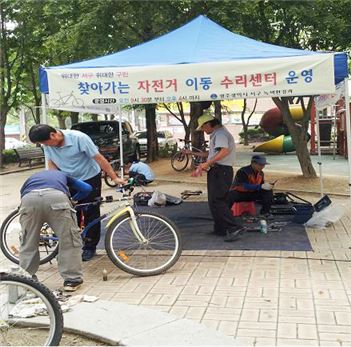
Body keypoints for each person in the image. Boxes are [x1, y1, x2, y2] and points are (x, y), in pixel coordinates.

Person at [28, 124, 127, 262]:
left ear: (53, 135)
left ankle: (90, 247)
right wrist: (55, 182)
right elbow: (52, 163)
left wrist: (114, 177)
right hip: (68, 179)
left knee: (90, 211)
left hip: (90, 177)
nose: (45, 145)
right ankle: (73, 245)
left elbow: (99, 158)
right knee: (70, 212)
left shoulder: (79, 138)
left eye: (45, 142)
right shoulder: (48, 145)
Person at [19, 170, 92, 291]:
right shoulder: (63, 175)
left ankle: (27, 280)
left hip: (29, 200)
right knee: (69, 240)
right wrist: (73, 200)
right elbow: (87, 188)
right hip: (57, 198)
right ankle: (72, 280)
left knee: (28, 241)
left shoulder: (32, 178)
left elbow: (22, 194)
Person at [195, 111, 244, 242]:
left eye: (204, 127)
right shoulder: (218, 134)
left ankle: (234, 227)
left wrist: (207, 164)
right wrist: (196, 156)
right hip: (218, 170)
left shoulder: (221, 134)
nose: (203, 130)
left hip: (221, 170)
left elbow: (224, 151)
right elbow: (213, 154)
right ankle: (220, 228)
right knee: (214, 200)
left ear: (209, 124)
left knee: (218, 200)